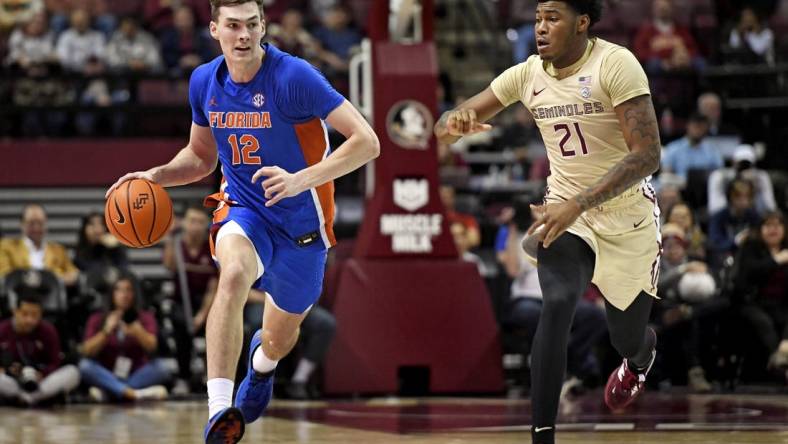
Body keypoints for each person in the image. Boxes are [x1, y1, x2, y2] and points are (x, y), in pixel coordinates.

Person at [105, 0, 379, 441]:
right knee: (231, 276)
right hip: (244, 209)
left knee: (278, 339)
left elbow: (367, 142)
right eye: (233, 26)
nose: (244, 35)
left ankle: (262, 366)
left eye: (252, 25)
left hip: (303, 226)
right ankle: (218, 411)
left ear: (264, 25)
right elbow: (199, 158)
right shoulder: (204, 81)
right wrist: (154, 176)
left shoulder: (294, 77)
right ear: (215, 29)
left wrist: (298, 180)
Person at [434, 2, 662, 442]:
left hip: (626, 215)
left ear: (582, 23)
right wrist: (455, 121)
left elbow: (648, 155)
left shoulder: (616, 64)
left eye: (553, 18)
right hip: (565, 213)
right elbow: (446, 124)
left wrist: (579, 202)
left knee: (626, 336)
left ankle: (639, 358)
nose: (540, 27)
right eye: (538, 18)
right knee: (556, 304)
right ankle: (542, 436)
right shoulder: (527, 73)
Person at [78, 275, 171, 402]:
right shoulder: (97, 318)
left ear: (134, 295)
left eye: (128, 290)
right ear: (112, 294)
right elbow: (86, 351)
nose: (124, 295)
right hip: (107, 372)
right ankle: (133, 394)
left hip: (136, 372)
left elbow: (153, 347)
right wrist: (106, 331)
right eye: (119, 290)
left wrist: (138, 332)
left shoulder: (145, 317)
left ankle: (111, 392)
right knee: (85, 366)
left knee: (162, 368)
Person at [731, 211, 788, 376]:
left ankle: (784, 350)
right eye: (768, 225)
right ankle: (780, 364)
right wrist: (776, 260)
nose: (773, 229)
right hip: (752, 302)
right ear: (760, 229)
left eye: (777, 225)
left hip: (780, 303)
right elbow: (747, 275)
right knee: (764, 322)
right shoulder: (750, 248)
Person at [0, 289, 80, 406]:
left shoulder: (48, 331)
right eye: (25, 314)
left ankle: (27, 399)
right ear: (15, 312)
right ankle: (30, 398)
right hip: (12, 382)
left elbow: (55, 362)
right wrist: (6, 370)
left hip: (40, 383)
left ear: (41, 314)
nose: (30, 320)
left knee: (73, 372)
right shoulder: (2, 330)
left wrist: (42, 373)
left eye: (34, 315)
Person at [0, 204, 79, 286]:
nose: (36, 227)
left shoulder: (58, 249)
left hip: (52, 295)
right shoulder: (7, 247)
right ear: (22, 224)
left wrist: (58, 280)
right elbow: (5, 275)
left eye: (40, 223)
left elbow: (73, 273)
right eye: (31, 223)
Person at [707, 144, 776, 216]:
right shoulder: (720, 176)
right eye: (741, 164)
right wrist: (734, 180)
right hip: (728, 217)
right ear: (733, 162)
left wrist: (756, 184)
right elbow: (714, 210)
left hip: (754, 216)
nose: (744, 168)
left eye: (747, 164)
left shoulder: (761, 177)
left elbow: (771, 207)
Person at [660, 113, 723, 183]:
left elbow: (719, 173)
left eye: (702, 127)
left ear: (706, 129)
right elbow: (666, 174)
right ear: (688, 126)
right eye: (696, 126)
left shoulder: (712, 150)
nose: (698, 130)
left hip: (706, 188)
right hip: (680, 187)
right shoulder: (673, 148)